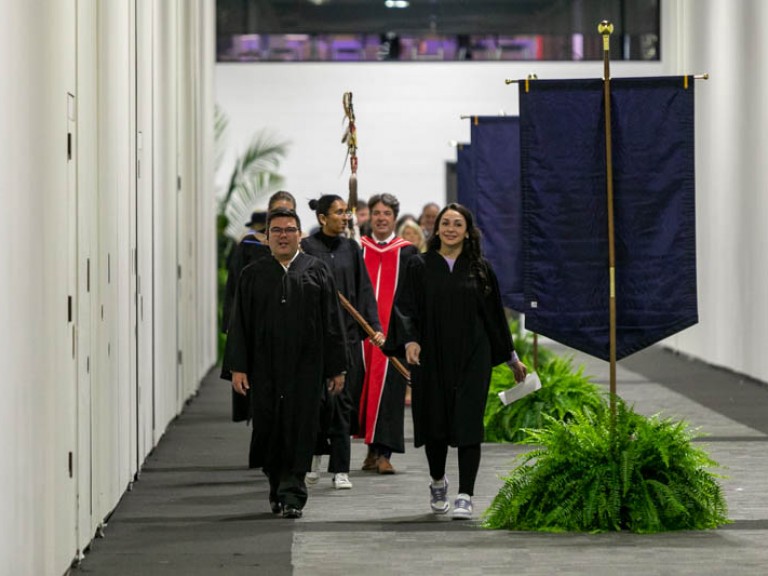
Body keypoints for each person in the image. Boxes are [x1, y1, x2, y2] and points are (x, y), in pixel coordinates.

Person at [383, 203, 527, 520]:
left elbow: (494, 317)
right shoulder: (419, 266)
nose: (450, 229)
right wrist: (410, 340)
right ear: (437, 230)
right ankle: (438, 481)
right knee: (434, 426)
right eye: (445, 223)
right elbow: (404, 307)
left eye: (457, 224)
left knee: (468, 423)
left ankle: (465, 494)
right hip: (431, 356)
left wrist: (512, 358)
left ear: (467, 231)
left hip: (472, 356)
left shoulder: (480, 269)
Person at [224, 207, 348, 519]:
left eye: (289, 230)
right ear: (266, 238)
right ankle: (276, 484)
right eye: (276, 230)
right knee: (269, 428)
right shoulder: (253, 275)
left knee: (301, 429)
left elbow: (332, 321)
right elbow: (240, 324)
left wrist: (336, 367)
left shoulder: (316, 271)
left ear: (299, 236)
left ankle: (293, 494)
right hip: (264, 367)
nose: (283, 236)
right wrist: (238, 367)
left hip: (306, 367)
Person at [301, 195, 384, 490]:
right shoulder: (307, 249)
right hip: (316, 339)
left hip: (347, 338)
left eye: (346, 212)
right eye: (339, 213)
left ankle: (340, 468)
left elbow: (364, 288)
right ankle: (313, 457)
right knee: (318, 404)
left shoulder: (351, 248)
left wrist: (373, 326)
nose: (345, 217)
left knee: (343, 403)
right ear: (323, 218)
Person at [221, 191, 297, 458]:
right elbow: (234, 289)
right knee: (261, 394)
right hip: (257, 331)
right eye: (276, 211)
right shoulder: (250, 247)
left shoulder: (302, 253)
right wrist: (233, 325)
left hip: (293, 337)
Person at [359, 194, 418, 474]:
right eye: (376, 213)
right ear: (370, 216)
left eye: (386, 213)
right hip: (362, 335)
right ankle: (370, 450)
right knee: (364, 390)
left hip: (393, 335)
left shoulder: (408, 252)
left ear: (394, 217)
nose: (381, 217)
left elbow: (414, 297)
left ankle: (385, 453)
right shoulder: (358, 249)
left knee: (391, 392)